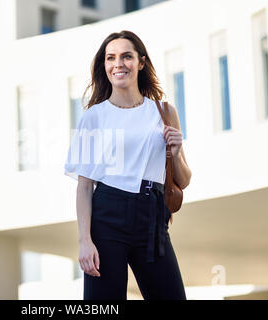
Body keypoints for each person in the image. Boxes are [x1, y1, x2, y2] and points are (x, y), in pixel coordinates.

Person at [64, 30, 192, 300]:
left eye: (126, 56)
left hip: (152, 216)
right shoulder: (93, 117)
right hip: (107, 215)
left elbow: (184, 179)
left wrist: (177, 150)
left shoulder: (164, 112)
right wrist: (84, 241)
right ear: (105, 65)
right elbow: (85, 187)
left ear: (141, 62)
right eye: (111, 58)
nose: (118, 64)